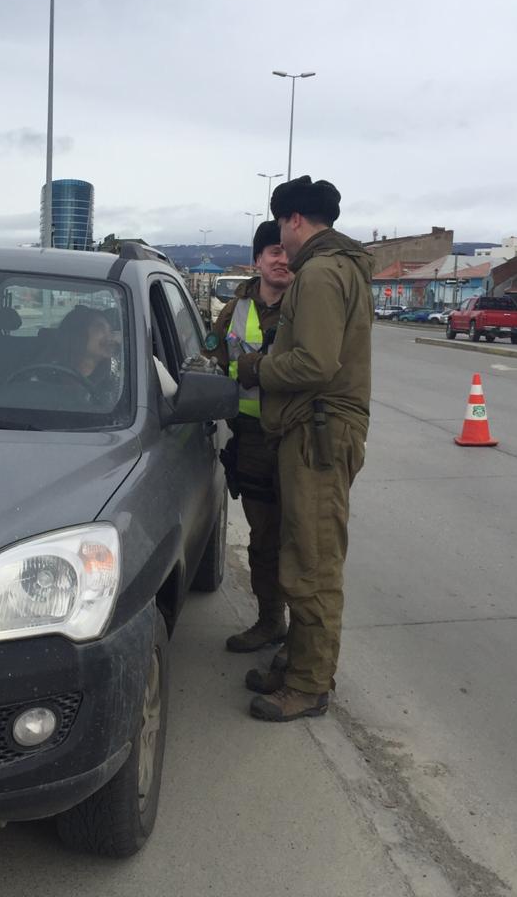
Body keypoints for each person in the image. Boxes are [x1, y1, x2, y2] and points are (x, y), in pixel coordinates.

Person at [234, 176, 374, 722]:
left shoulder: (318, 274)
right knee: (301, 554)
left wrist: (255, 368)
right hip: (315, 431)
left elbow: (314, 364)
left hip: (318, 434)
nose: (282, 247)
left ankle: (310, 684)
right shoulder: (341, 267)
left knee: (311, 565)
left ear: (294, 220)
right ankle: (296, 664)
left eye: (282, 230)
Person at [204, 221, 293, 654]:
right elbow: (212, 365)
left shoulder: (309, 305)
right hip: (253, 440)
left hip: (298, 438)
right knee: (263, 538)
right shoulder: (233, 310)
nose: (282, 259)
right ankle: (270, 621)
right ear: (258, 260)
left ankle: (306, 638)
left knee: (302, 541)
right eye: (273, 251)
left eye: (287, 250)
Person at [46, 304, 122, 405]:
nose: (110, 337)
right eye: (100, 328)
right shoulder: (48, 375)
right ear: (77, 334)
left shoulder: (116, 380)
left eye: (110, 330)